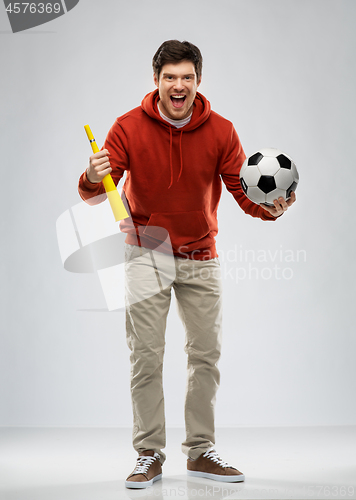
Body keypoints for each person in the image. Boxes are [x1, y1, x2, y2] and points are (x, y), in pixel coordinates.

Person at [78, 40, 296, 489]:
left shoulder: (221, 130)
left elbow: (243, 192)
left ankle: (200, 451)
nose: (179, 86)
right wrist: (91, 174)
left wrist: (270, 209)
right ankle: (148, 454)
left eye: (187, 78)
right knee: (146, 356)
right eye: (170, 77)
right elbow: (97, 190)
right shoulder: (127, 126)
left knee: (205, 356)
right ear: (155, 80)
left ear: (199, 81)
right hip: (146, 252)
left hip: (201, 253)